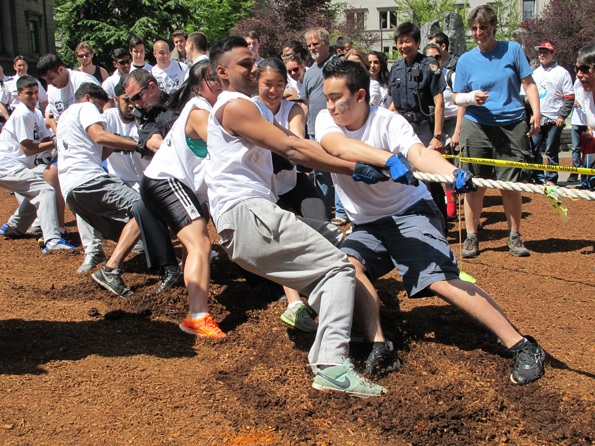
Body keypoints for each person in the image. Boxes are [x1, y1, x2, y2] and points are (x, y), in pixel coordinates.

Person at [317, 57, 546, 385]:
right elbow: (336, 146)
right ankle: (380, 345)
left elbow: (421, 155)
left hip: (409, 212)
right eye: (327, 97)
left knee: (439, 280)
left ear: (360, 96)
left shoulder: (389, 123)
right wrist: (386, 159)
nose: (330, 105)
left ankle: (522, 344)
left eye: (336, 97)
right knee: (346, 268)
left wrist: (453, 174)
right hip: (367, 225)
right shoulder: (327, 120)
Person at [207, 36, 411, 397]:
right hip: (248, 213)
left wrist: (362, 164)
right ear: (222, 72)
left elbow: (306, 148)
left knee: (335, 255)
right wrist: (357, 167)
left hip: (250, 216)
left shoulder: (252, 108)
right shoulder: (234, 105)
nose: (253, 67)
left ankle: (340, 326)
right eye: (244, 63)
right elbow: (293, 148)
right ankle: (332, 364)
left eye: (252, 59)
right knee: (338, 268)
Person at [141, 60, 225, 337]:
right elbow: (227, 146)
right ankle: (197, 317)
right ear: (198, 88)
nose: (219, 82)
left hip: (175, 182)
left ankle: (195, 299)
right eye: (212, 79)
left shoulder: (211, 109)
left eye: (221, 76)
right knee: (200, 241)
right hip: (166, 179)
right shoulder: (200, 110)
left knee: (194, 246)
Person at [452, 5, 540, 258]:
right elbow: (456, 97)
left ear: (494, 27)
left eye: (483, 28)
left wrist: (536, 111)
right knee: (473, 184)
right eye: (474, 29)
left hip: (511, 125)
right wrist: (470, 97)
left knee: (509, 185)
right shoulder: (467, 59)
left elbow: (529, 84)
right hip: (476, 125)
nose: (479, 33)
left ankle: (514, 236)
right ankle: (471, 236)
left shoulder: (512, 50)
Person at [256, 57, 326, 332]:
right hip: (263, 186)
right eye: (267, 84)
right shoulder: (248, 107)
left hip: (290, 179)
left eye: (279, 85)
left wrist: (276, 139)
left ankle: (321, 278)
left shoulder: (294, 108)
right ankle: (294, 302)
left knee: (320, 221)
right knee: (282, 234)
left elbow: (296, 141)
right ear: (257, 82)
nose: (273, 91)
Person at [56, 82, 142, 296]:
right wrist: (137, 144)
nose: (101, 111)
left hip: (71, 190)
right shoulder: (85, 107)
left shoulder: (64, 118)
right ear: (87, 98)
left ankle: (162, 258)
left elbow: (100, 153)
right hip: (90, 180)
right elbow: (99, 136)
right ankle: (110, 270)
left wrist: (114, 142)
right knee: (144, 208)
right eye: (99, 105)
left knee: (132, 227)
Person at [0, 76, 76, 253]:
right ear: (19, 95)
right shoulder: (22, 114)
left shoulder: (33, 112)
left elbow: (46, 138)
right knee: (45, 190)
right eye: (29, 93)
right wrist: (56, 142)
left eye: (35, 92)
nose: (34, 96)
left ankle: (15, 226)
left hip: (17, 165)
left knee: (41, 184)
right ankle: (53, 240)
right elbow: (28, 149)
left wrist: (55, 135)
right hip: (7, 165)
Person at [389, 22, 448, 224]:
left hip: (424, 127)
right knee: (404, 176)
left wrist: (438, 136)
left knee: (428, 178)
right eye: (400, 42)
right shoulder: (396, 69)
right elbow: (394, 105)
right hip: (402, 127)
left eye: (407, 41)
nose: (404, 46)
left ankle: (440, 221)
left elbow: (439, 102)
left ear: (417, 42)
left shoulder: (430, 65)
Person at [424, 42, 465, 219]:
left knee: (451, 166)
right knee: (429, 167)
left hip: (451, 122)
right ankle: (434, 206)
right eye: (429, 57)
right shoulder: (422, 77)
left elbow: (461, 103)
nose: (434, 60)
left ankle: (452, 208)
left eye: (437, 57)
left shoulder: (451, 76)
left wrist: (457, 131)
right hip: (431, 123)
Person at [303, 28, 337, 219]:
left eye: (315, 43)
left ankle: (342, 211)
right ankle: (326, 211)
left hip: (335, 128)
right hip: (314, 128)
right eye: (309, 45)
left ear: (326, 42)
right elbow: (306, 102)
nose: (312, 47)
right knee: (321, 173)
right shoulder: (309, 72)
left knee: (339, 171)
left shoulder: (337, 64)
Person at [530, 40, 574, 185]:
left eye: (545, 52)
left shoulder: (562, 73)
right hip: (538, 117)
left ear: (552, 54)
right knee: (534, 149)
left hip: (555, 119)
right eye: (540, 52)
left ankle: (551, 178)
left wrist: (562, 116)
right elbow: (530, 95)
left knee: (551, 150)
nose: (542, 55)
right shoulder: (535, 73)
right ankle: (538, 176)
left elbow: (569, 97)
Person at [568, 77, 588, 183]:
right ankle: (575, 172)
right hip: (576, 120)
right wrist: (573, 100)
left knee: (587, 149)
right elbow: (571, 94)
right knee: (575, 148)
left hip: (588, 121)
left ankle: (586, 173)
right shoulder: (576, 81)